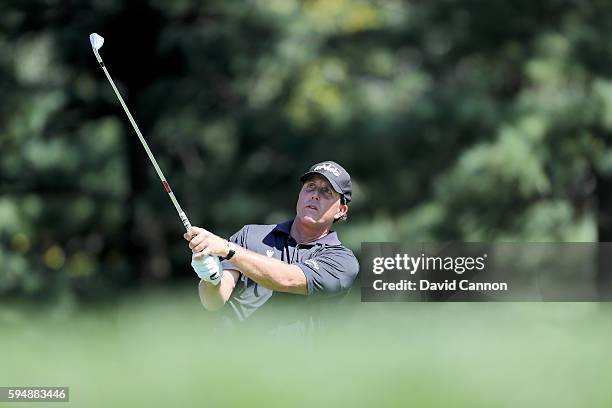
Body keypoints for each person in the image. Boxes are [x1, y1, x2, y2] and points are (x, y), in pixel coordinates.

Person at [183, 161, 359, 329]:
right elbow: (213, 302)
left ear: (341, 210)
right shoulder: (250, 235)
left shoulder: (342, 261)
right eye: (310, 187)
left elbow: (287, 279)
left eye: (326, 191)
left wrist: (228, 249)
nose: (314, 194)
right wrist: (210, 278)